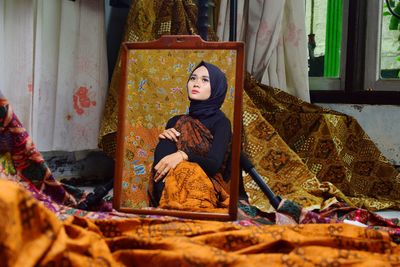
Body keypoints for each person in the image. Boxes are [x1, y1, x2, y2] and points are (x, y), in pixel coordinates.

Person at [149, 61, 232, 210]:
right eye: (193, 78)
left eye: (205, 80)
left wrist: (184, 155)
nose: (196, 83)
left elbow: (213, 165)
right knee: (167, 142)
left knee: (188, 169)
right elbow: (163, 166)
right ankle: (167, 206)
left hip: (206, 188)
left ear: (216, 88)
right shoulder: (177, 121)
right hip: (171, 189)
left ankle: (182, 208)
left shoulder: (221, 123)